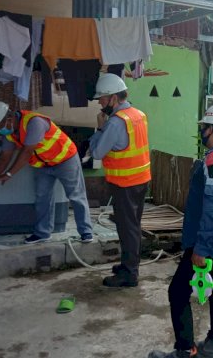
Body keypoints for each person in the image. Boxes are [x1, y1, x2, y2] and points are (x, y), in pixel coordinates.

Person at [148, 103, 213, 358]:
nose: (202, 131)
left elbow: (212, 209)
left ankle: (185, 350)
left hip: (208, 243)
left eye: (204, 127)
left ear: (212, 128)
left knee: (178, 292)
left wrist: (201, 248)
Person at [0, 101, 93, 244]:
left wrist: (8, 174)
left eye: (0, 126)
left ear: (8, 118)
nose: (0, 130)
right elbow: (4, 156)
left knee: (76, 195)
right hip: (43, 165)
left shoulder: (34, 122)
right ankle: (43, 233)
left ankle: (86, 232)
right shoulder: (10, 133)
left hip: (65, 159)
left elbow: (27, 152)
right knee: (42, 198)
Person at [88, 73, 151, 288]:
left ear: (114, 98)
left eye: (102, 99)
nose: (100, 102)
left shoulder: (114, 123)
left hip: (125, 183)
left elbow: (97, 152)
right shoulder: (138, 114)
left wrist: (99, 128)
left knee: (127, 228)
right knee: (133, 226)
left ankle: (129, 273)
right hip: (141, 180)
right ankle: (128, 265)